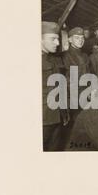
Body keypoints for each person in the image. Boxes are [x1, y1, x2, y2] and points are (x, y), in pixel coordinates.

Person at [42, 21, 69, 151]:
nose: (57, 43)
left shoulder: (54, 59)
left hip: (57, 116)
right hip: (43, 119)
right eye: (53, 39)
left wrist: (63, 111)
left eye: (58, 39)